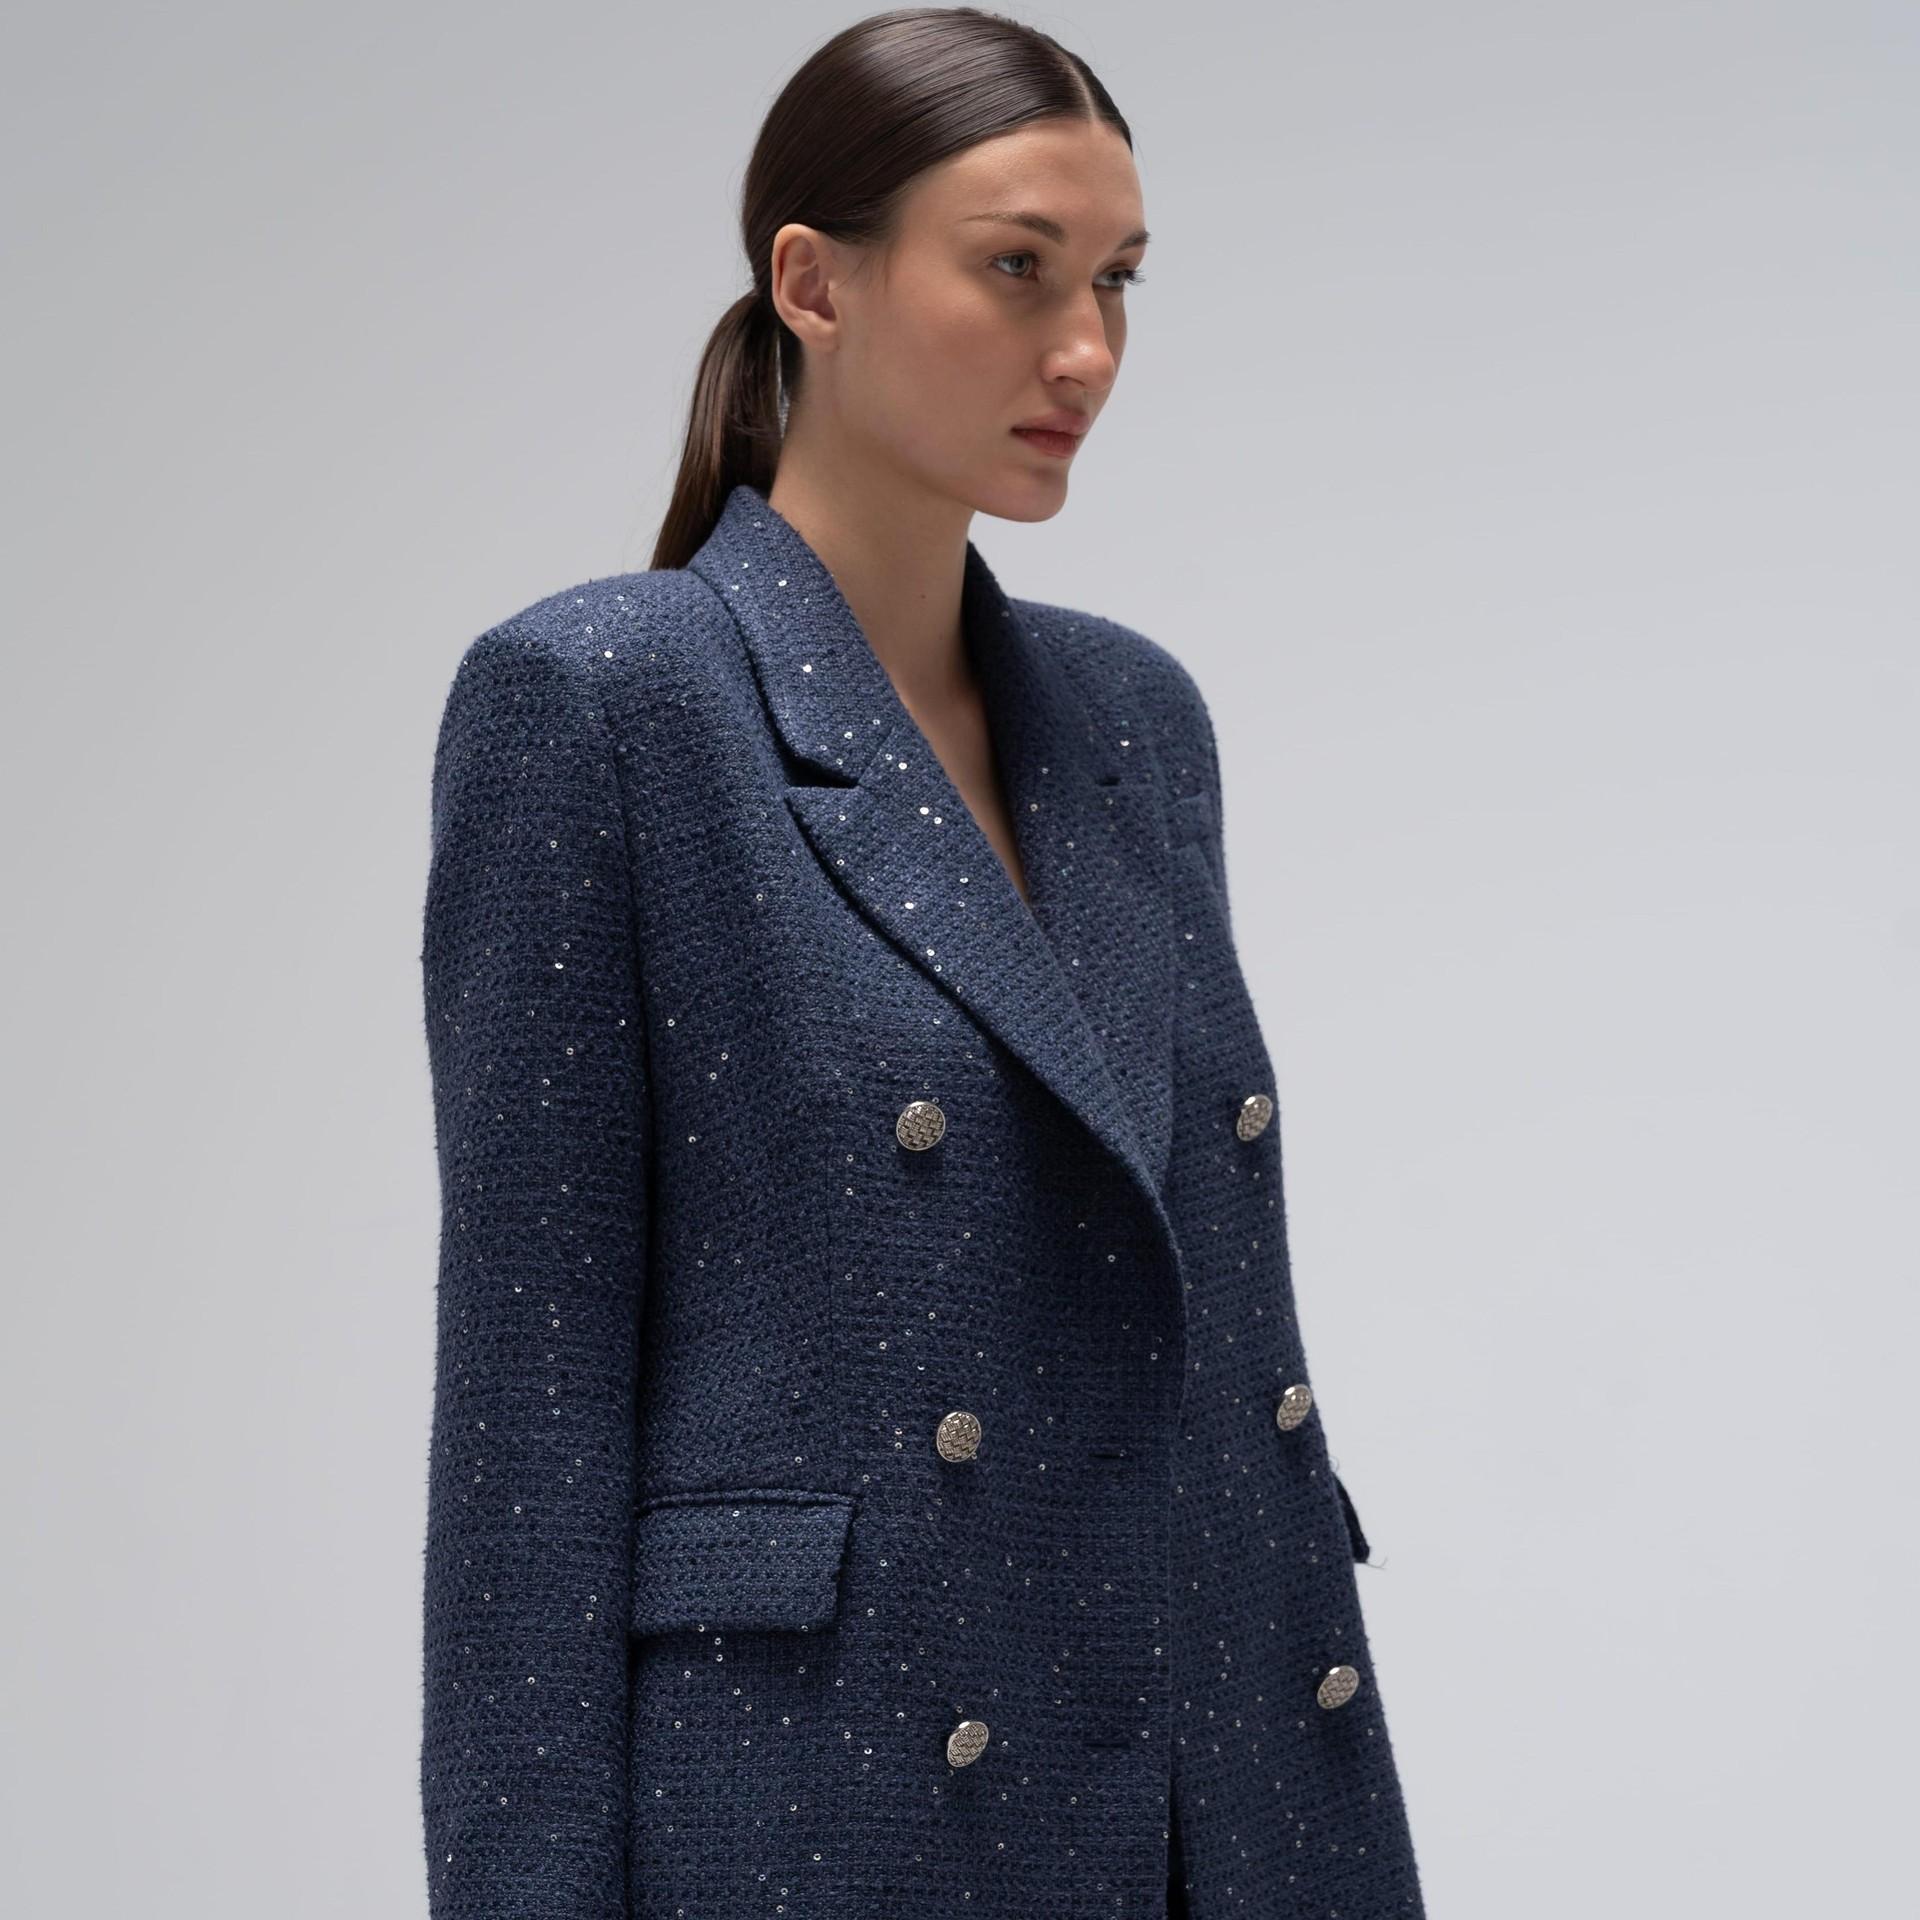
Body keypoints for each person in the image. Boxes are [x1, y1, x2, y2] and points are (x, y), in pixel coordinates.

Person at [418, 8, 1428, 1918]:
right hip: (841, 1799)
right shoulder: (603, 703)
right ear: (814, 283)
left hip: (1223, 1765)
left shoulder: (1133, 718)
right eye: (1019, 268)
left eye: (1119, 281)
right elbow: (527, 1426)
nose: (1087, 349)